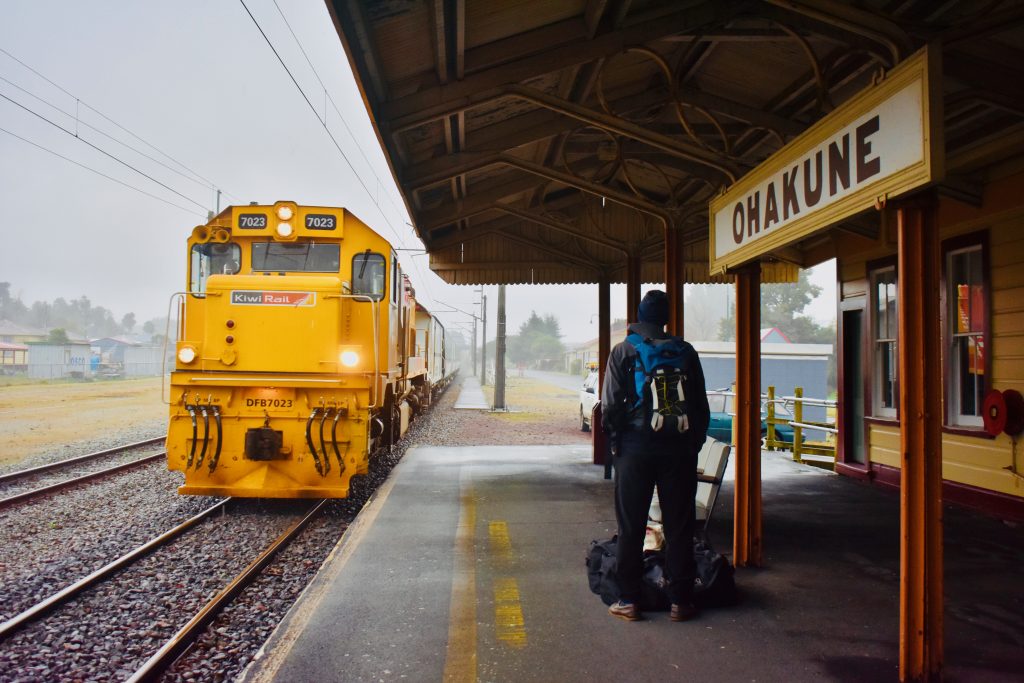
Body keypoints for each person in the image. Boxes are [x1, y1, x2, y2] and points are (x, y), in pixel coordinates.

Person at [600, 289, 710, 622]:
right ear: (665, 318)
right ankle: (681, 602)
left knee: (632, 524)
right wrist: (692, 444)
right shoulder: (686, 352)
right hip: (678, 449)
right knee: (679, 524)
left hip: (635, 447)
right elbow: (700, 406)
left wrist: (616, 444)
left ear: (639, 315)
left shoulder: (624, 351)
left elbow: (609, 406)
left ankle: (628, 600)